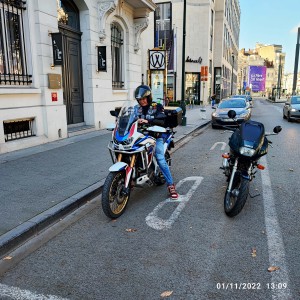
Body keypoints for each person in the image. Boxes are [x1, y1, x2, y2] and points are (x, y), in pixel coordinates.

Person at [134, 85, 179, 200]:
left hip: (156, 136)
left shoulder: (156, 106)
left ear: (149, 97)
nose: (142, 101)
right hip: (140, 136)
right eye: (140, 99)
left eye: (144, 99)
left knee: (159, 157)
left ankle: (170, 185)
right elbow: (128, 118)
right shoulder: (135, 108)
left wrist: (148, 120)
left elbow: (162, 118)